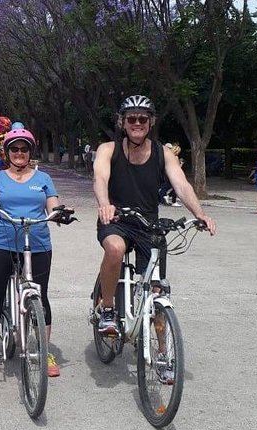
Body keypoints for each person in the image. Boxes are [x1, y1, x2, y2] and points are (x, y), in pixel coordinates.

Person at [93, 95, 216, 335]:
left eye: (142, 118)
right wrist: (105, 204)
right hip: (116, 219)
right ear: (122, 123)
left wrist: (200, 214)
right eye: (131, 119)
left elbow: (181, 185)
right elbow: (100, 177)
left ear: (151, 122)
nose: (137, 123)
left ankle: (163, 357)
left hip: (149, 225)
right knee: (115, 249)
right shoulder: (109, 149)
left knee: (156, 289)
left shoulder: (164, 153)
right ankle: (107, 308)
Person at [0, 127, 62, 378]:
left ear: (30, 152)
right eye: (15, 149)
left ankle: (44, 351)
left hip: (38, 243)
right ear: (7, 152)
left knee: (39, 295)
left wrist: (59, 213)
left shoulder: (43, 178)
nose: (19, 153)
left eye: (24, 149)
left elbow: (52, 203)